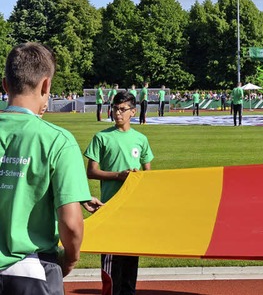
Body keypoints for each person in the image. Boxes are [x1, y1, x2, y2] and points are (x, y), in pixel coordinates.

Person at [0, 42, 101, 295]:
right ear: (46, 85)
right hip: (29, 270)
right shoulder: (57, 140)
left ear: (5, 84)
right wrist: (71, 257)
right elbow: (71, 222)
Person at [84, 91, 154, 295]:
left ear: (133, 112)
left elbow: (148, 174)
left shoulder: (141, 139)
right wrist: (119, 176)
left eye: (122, 109)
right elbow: (91, 172)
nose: (117, 113)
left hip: (133, 208)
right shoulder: (101, 137)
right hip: (109, 207)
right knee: (112, 264)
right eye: (115, 109)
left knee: (131, 261)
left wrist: (139, 178)